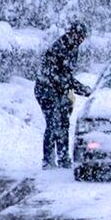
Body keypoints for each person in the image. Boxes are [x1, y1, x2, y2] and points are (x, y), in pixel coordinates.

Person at [34, 22, 92, 169]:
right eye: (79, 37)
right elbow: (58, 76)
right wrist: (82, 89)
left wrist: (78, 89)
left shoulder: (73, 49)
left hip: (61, 91)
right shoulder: (58, 48)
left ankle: (63, 158)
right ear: (72, 33)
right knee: (53, 124)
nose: (80, 40)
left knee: (64, 124)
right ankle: (48, 160)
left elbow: (66, 75)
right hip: (46, 90)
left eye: (83, 38)